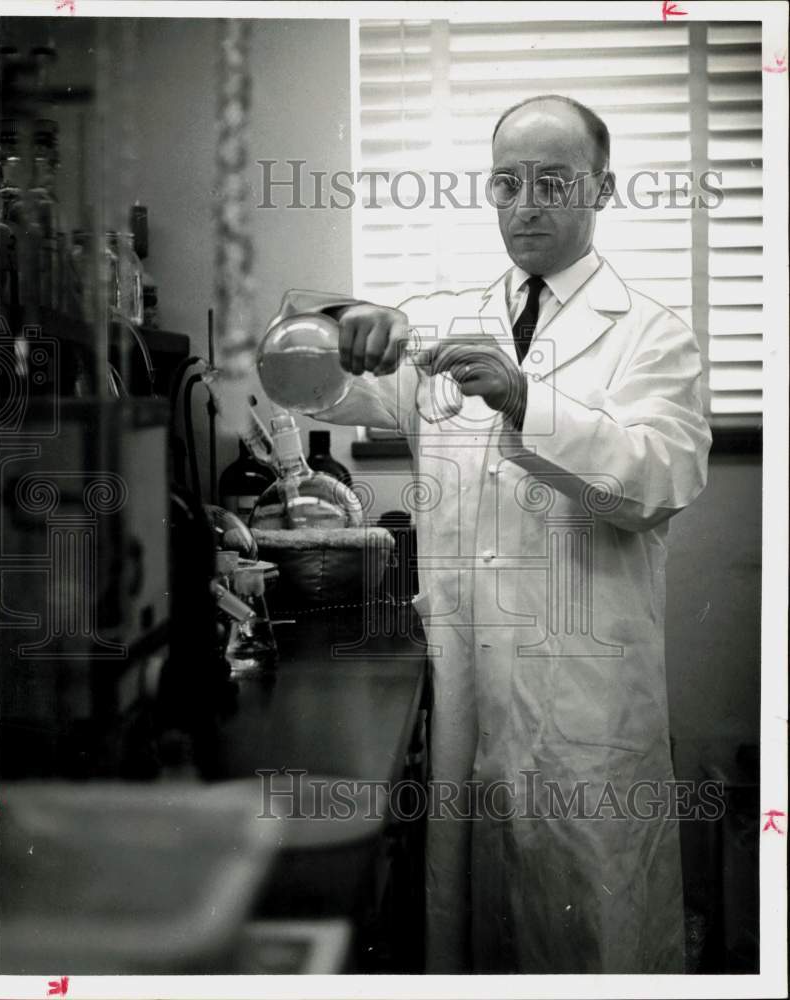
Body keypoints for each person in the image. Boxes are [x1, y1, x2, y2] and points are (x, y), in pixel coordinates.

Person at [275, 95, 711, 973]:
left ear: (604, 189)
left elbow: (663, 478)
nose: (528, 203)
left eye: (554, 181)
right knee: (475, 933)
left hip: (587, 702)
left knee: (593, 931)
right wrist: (338, 324)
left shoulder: (653, 334)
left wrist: (524, 399)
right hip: (471, 685)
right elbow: (300, 383)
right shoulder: (439, 323)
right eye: (508, 183)